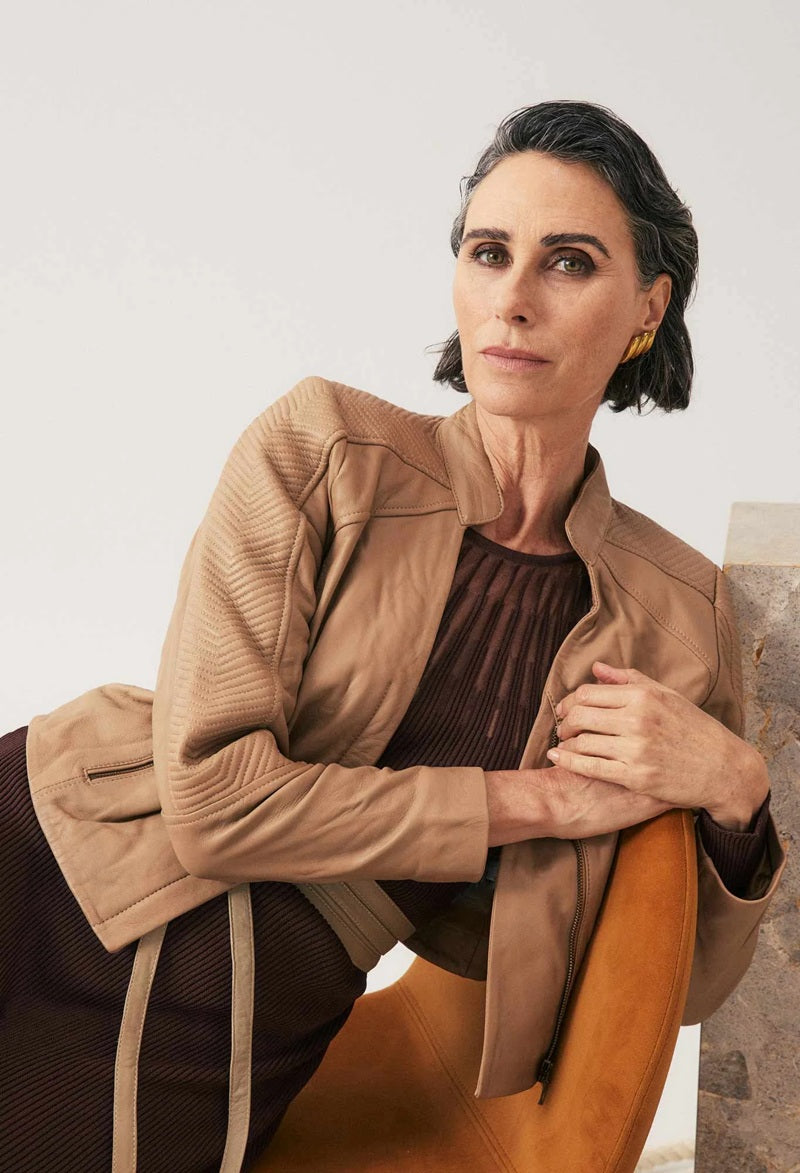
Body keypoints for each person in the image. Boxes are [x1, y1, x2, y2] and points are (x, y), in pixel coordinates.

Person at [1, 100, 785, 1172]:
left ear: (647, 306)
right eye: (488, 252)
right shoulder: (322, 447)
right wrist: (532, 802)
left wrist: (736, 790)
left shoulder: (674, 611)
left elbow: (675, 993)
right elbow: (214, 802)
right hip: (50, 854)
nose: (513, 298)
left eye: (567, 263)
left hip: (242, 1017)